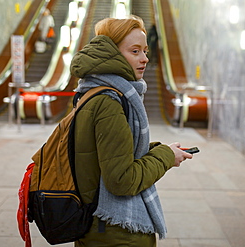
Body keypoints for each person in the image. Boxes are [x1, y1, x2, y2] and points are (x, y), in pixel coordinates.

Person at [69, 15, 193, 247]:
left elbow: (109, 155)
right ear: (111, 53)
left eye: (145, 51)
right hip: (116, 230)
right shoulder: (110, 102)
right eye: (135, 51)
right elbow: (121, 181)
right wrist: (167, 158)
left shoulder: (92, 90)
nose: (145, 58)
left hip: (98, 227)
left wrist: (162, 150)